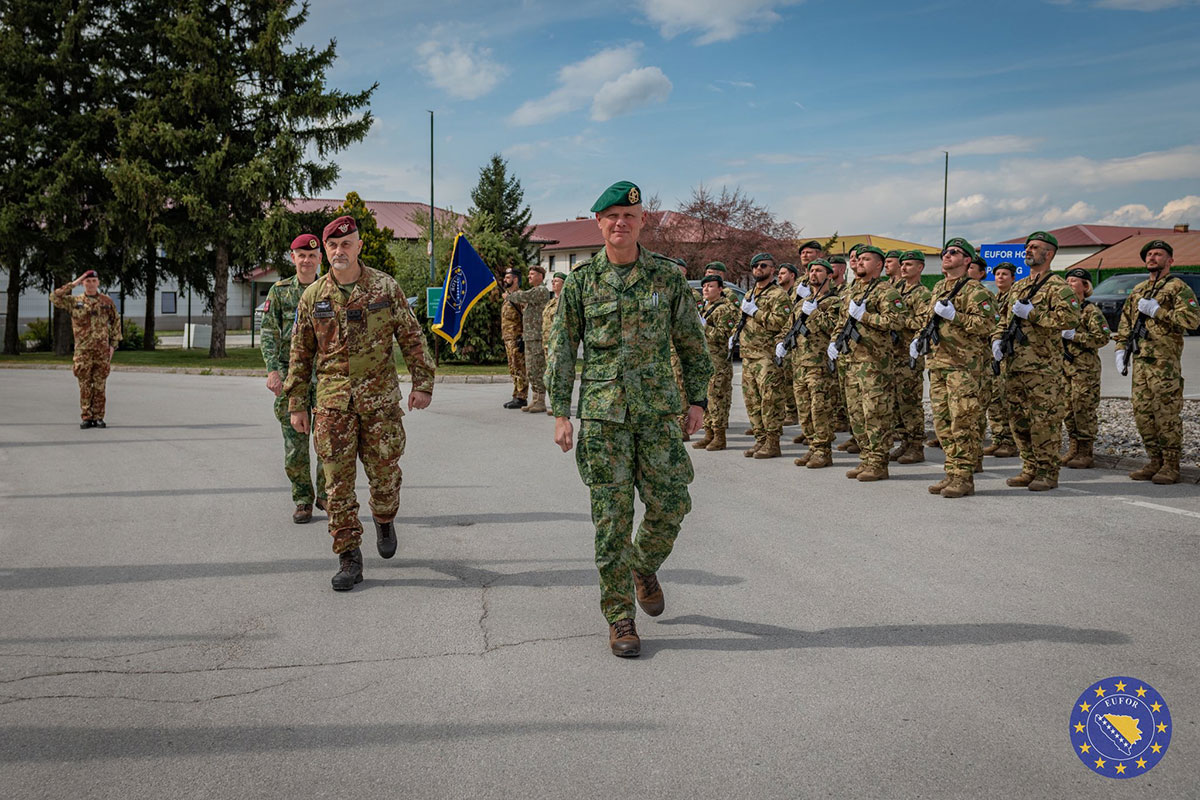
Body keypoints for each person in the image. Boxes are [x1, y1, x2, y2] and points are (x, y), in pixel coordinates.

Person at [546, 180, 712, 658]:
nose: (621, 223)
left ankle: (642, 565)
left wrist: (697, 401)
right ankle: (620, 617)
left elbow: (692, 343)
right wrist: (561, 413)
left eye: (630, 216)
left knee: (671, 505)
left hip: (658, 415)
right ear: (599, 223)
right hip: (604, 420)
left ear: (642, 222)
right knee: (611, 522)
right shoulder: (580, 283)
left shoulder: (666, 278)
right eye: (613, 216)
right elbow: (562, 351)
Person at [285, 215, 436, 591]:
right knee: (336, 485)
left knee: (385, 477)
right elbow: (300, 354)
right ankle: (349, 557)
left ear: (359, 246)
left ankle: (384, 518)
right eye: (333, 245)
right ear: (326, 250)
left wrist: (423, 383)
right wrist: (297, 403)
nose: (340, 250)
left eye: (346, 244)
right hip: (333, 404)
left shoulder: (384, 287)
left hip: (380, 402)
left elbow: (411, 335)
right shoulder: (313, 296)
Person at [991, 231, 1080, 492]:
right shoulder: (1019, 286)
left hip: (1042, 368)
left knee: (1044, 422)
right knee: (1018, 421)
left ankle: (1047, 472)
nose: (1028, 250)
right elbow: (1004, 320)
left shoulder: (1059, 287)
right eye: (1027, 247)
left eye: (1035, 247)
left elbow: (1069, 320)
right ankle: (1029, 467)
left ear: (1049, 254)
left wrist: (1034, 314)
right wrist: (997, 340)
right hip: (1014, 365)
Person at [913, 239, 997, 498]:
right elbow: (928, 319)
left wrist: (955, 317)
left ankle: (964, 477)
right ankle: (951, 472)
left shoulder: (976, 291)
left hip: (964, 367)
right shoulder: (939, 287)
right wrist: (919, 339)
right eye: (945, 252)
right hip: (938, 364)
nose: (946, 256)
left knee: (963, 422)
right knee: (943, 424)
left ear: (967, 260)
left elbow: (987, 325)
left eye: (954, 252)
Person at [1113, 239, 1200, 484]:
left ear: (1170, 260)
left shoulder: (1177, 287)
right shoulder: (1138, 289)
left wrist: (1157, 311)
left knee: (1166, 414)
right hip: (1140, 362)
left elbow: (1192, 320)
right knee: (1143, 414)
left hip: (1164, 364)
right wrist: (1120, 350)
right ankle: (1154, 460)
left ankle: (1171, 465)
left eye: (1158, 254)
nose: (1152, 257)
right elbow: (1125, 323)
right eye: (1149, 254)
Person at [261, 233, 328, 523]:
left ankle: (326, 495)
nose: (307, 260)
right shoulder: (280, 292)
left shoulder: (330, 289)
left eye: (312, 256)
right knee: (295, 447)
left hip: (325, 377)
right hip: (291, 378)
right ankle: (302, 500)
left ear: (320, 259)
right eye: (302, 255)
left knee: (328, 441)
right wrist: (272, 371)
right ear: (293, 258)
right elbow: (268, 332)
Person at [827, 245, 906, 481]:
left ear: (879, 265)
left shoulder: (886, 291)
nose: (860, 262)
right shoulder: (853, 291)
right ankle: (866, 458)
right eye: (858, 259)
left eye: (866, 259)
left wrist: (866, 316)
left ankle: (879, 463)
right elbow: (842, 322)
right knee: (856, 414)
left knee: (875, 414)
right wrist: (834, 342)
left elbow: (897, 321)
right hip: (851, 362)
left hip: (874, 364)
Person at [777, 258, 841, 468]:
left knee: (820, 409)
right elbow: (789, 327)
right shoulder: (801, 303)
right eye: (811, 270)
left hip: (819, 366)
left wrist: (814, 312)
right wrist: (781, 342)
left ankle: (823, 451)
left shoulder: (834, 302)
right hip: (799, 365)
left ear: (829, 275)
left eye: (819, 270)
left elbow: (834, 328)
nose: (813, 274)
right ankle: (813, 447)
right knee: (804, 411)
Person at [737, 252, 793, 458]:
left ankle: (772, 442)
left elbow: (781, 322)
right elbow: (742, 320)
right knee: (752, 401)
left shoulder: (779, 295)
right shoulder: (749, 294)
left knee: (770, 401)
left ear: (772, 269)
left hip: (766, 356)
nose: (758, 269)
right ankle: (760, 440)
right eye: (755, 266)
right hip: (748, 354)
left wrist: (756, 312)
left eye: (763, 266)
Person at [51, 270, 121, 428]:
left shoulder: (106, 301)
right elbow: (54, 297)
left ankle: (99, 416)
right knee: (84, 385)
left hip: (102, 351)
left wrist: (113, 345)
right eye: (87, 281)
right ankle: (86, 417)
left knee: (100, 385)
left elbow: (116, 321)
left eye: (93, 281)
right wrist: (73, 283)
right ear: (83, 283)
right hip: (83, 351)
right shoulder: (74, 302)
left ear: (98, 282)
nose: (91, 284)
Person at [1060, 267, 1112, 469]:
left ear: (1085, 286)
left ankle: (1086, 452)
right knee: (1068, 410)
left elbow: (1103, 337)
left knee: (1083, 409)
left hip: (1084, 368)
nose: (1069, 284)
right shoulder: (1063, 310)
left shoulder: (1091, 311)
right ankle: (1073, 447)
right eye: (1067, 281)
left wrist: (1076, 337)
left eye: (1073, 281)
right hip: (1065, 367)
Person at [890, 250, 932, 464]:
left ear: (920, 267)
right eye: (902, 264)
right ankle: (904, 441)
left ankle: (916, 446)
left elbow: (922, 322)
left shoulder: (922, 294)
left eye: (909, 264)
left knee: (910, 403)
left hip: (909, 355)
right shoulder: (896, 290)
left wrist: (899, 320)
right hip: (892, 354)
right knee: (896, 403)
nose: (904, 268)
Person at [694, 274, 740, 451]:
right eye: (704, 286)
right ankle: (709, 434)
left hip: (718, 362)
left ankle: (719, 436)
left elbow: (724, 336)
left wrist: (704, 327)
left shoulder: (723, 310)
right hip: (705, 361)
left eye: (711, 286)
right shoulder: (706, 308)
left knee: (717, 399)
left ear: (720, 289)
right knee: (706, 398)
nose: (706, 289)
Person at [506, 265, 553, 414]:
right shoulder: (534, 291)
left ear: (540, 276)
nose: (529, 276)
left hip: (537, 337)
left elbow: (522, 296)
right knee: (531, 369)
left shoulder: (540, 291)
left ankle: (541, 401)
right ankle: (535, 398)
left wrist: (509, 295)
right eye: (529, 274)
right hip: (530, 337)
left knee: (537, 368)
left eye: (532, 274)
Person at [983, 263, 1018, 458]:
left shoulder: (1014, 298)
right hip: (993, 354)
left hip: (1007, 354)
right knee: (995, 398)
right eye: (997, 274)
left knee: (1007, 399)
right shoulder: (994, 298)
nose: (1000, 277)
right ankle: (998, 438)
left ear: (1013, 278)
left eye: (1005, 274)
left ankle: (1009, 442)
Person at [775, 262, 801, 428]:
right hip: (782, 340)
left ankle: (792, 413)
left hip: (795, 343)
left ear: (792, 275)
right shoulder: (779, 294)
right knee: (782, 380)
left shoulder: (798, 293)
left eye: (783, 273)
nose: (779, 275)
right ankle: (786, 411)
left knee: (791, 380)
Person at [499, 267, 528, 409]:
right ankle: (516, 395)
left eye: (508, 277)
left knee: (519, 367)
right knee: (513, 367)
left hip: (517, 337)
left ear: (515, 279)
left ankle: (522, 397)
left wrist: (523, 336)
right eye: (505, 277)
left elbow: (527, 316)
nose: (505, 280)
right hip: (508, 337)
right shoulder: (507, 297)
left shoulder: (520, 296)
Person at [540, 272, 567, 416]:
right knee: (549, 377)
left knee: (555, 376)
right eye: (553, 281)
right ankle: (555, 404)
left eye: (557, 281)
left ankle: (560, 405)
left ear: (564, 284)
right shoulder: (551, 302)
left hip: (558, 344)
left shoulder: (565, 301)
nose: (553, 283)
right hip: (547, 344)